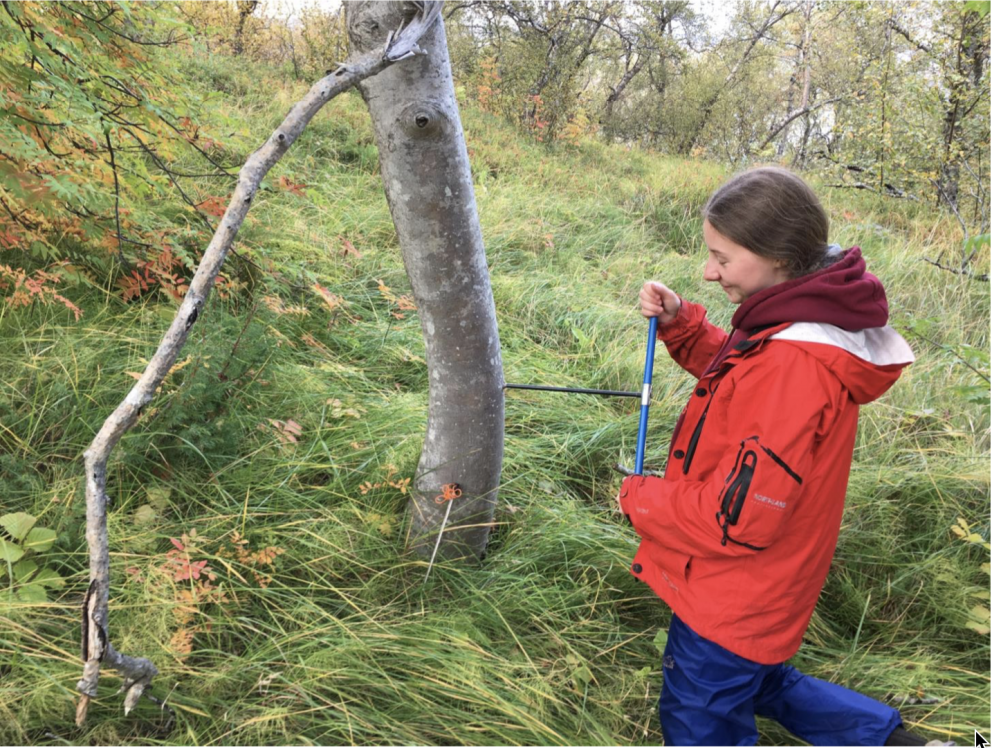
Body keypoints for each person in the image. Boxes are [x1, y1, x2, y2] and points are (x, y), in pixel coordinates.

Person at [617, 166, 944, 747]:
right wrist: (684, 326)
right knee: (758, 682)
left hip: (736, 586)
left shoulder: (795, 363)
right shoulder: (797, 320)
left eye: (722, 258)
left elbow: (736, 518)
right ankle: (885, 740)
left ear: (780, 257)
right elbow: (747, 382)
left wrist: (640, 498)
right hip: (766, 581)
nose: (707, 271)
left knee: (701, 712)